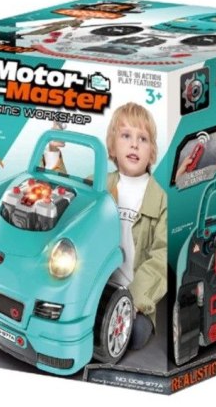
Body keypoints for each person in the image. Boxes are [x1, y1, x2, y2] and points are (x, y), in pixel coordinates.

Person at [44, 103, 167, 350]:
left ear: (152, 151)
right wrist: (53, 152)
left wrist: (135, 298)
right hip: (95, 284)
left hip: (131, 292)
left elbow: (160, 258)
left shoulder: (160, 198)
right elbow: (67, 195)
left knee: (136, 334)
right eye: (126, 136)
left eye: (143, 139)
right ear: (112, 145)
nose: (134, 145)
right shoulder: (99, 182)